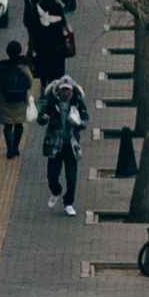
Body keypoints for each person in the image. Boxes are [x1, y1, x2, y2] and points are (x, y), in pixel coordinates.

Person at [40, 74, 87, 217]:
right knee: (52, 175)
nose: (65, 93)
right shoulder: (51, 102)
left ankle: (69, 203)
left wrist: (78, 124)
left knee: (71, 176)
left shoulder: (77, 102)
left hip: (70, 145)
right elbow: (41, 119)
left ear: (72, 90)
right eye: (63, 90)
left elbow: (85, 119)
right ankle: (56, 191)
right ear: (58, 89)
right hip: (55, 144)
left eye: (68, 90)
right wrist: (44, 118)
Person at [0, 38, 32, 156]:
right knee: (19, 124)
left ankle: (9, 148)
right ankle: (16, 147)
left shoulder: (2, 68)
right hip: (20, 99)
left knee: (8, 125)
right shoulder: (23, 66)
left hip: (6, 99)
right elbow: (29, 83)